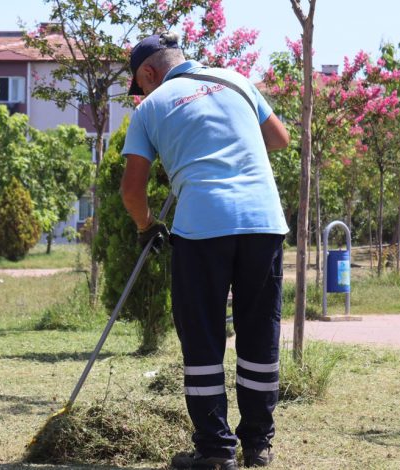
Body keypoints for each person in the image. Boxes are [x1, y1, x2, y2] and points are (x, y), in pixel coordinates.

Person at [121, 32, 290, 470]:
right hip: (263, 222)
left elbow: (132, 188)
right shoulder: (236, 80)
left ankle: (215, 451)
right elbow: (279, 139)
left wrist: (147, 227)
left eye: (142, 85)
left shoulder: (151, 109)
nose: (145, 92)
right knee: (259, 333)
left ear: (149, 73)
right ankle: (258, 445)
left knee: (203, 338)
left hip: (201, 229)